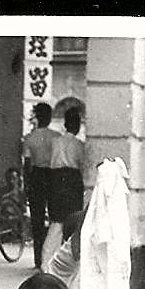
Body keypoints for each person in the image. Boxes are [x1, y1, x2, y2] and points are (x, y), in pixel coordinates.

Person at [44, 108, 86, 266]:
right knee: (72, 221)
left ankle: (46, 262)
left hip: (55, 181)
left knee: (56, 222)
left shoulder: (55, 142)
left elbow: (49, 162)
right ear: (76, 125)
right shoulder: (79, 145)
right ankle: (67, 262)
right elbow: (82, 166)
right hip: (72, 181)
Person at [23, 103, 60, 270]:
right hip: (53, 176)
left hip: (36, 176)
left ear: (37, 117)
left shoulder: (30, 138)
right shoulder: (57, 137)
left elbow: (27, 163)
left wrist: (26, 184)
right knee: (54, 218)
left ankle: (38, 260)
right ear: (50, 118)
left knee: (37, 219)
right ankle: (52, 257)